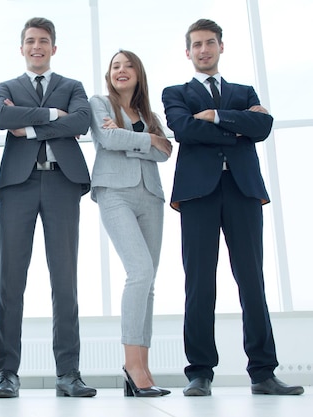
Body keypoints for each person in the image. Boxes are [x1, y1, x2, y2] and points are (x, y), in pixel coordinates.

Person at [162, 18, 304, 396]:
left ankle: (263, 373)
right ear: (188, 52)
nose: (204, 50)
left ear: (221, 47)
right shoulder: (175, 92)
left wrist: (216, 116)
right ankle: (200, 373)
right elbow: (183, 129)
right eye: (197, 44)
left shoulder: (243, 90)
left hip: (243, 191)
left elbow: (265, 127)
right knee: (199, 283)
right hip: (197, 195)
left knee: (252, 281)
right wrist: (239, 126)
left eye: (210, 43)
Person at [0, 17, 96, 398]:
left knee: (64, 280)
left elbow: (82, 121)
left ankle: (69, 373)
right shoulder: (6, 87)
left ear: (54, 48)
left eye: (44, 41)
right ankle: (6, 372)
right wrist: (55, 115)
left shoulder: (73, 86)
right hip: (18, 185)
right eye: (31, 41)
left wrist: (31, 126)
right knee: (11, 280)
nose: (37, 46)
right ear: (22, 48)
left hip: (62, 182)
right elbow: (3, 118)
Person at [89, 50, 172, 397]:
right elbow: (107, 139)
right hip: (115, 193)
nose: (121, 70)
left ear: (139, 73)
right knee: (139, 271)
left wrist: (142, 138)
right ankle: (131, 365)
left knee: (148, 281)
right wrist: (147, 140)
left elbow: (166, 150)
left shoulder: (149, 113)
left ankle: (143, 365)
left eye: (129, 65)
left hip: (150, 194)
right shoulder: (100, 104)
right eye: (115, 66)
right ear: (109, 74)